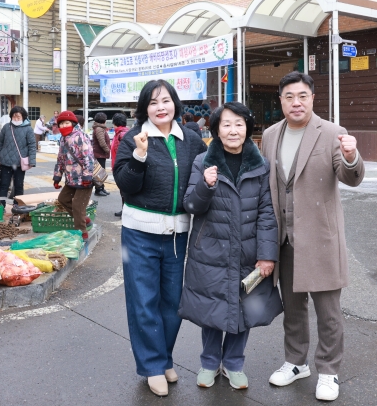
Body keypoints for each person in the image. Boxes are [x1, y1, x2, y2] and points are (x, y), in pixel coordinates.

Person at [260, 71, 363, 402]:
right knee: (292, 308)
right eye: (289, 97)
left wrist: (350, 156)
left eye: (302, 95)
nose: (296, 102)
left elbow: (350, 176)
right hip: (284, 239)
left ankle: (329, 370)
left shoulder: (332, 132)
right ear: (281, 101)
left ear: (312, 98)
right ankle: (295, 361)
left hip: (320, 239)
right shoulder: (272, 135)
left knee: (328, 312)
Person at [113, 80, 207, 397]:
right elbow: (125, 184)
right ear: (145, 109)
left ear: (175, 104)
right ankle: (152, 365)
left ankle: (164, 357)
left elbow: (210, 169)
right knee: (144, 301)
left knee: (172, 303)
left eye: (165, 100)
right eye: (153, 103)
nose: (160, 107)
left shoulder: (191, 141)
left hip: (178, 234)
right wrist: (139, 154)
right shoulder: (132, 139)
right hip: (140, 233)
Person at [180, 101, 281, 390]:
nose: (233, 130)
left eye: (239, 124)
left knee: (243, 310)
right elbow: (190, 205)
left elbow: (267, 214)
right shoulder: (202, 162)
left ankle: (234, 363)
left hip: (248, 253)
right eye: (226, 124)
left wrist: (266, 255)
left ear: (247, 128)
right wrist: (205, 186)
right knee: (212, 310)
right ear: (216, 129)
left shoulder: (261, 166)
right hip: (210, 252)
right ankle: (209, 363)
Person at [52, 111, 94, 240]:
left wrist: (87, 176)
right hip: (71, 179)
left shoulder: (81, 136)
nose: (64, 126)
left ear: (73, 123)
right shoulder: (63, 138)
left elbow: (88, 157)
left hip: (84, 179)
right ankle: (84, 219)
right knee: (63, 199)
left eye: (67, 123)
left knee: (78, 205)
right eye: (62, 124)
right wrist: (57, 177)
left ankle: (82, 232)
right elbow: (60, 159)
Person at [0, 106, 37, 199]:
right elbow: (0, 143)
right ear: (11, 117)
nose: (16, 119)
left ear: (23, 117)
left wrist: (32, 160)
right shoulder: (6, 127)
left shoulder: (28, 129)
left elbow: (32, 145)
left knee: (18, 186)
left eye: (18, 117)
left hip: (19, 164)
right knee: (3, 186)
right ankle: (0, 206)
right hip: (5, 162)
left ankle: (18, 207)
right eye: (14, 117)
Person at [109, 113, 128, 218]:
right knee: (122, 191)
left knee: (124, 191)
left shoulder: (122, 134)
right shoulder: (119, 133)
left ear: (115, 123)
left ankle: (126, 211)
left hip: (121, 167)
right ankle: (124, 209)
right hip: (118, 166)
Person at [91, 113, 111, 197]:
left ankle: (101, 188)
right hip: (99, 153)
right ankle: (98, 189)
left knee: (101, 171)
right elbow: (102, 142)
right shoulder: (99, 129)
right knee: (99, 172)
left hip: (100, 153)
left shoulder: (100, 128)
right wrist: (107, 150)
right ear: (104, 120)